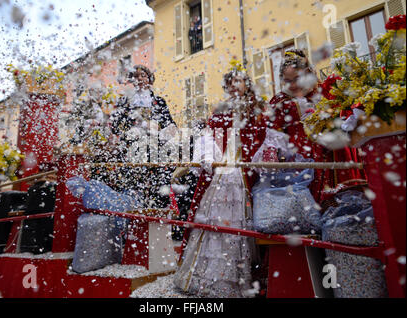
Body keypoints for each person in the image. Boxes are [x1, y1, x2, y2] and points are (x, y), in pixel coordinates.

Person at [173, 62, 267, 297]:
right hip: (223, 172)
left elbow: (262, 138)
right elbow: (208, 136)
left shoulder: (256, 109)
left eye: (239, 81)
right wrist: (209, 156)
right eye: (231, 82)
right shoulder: (220, 109)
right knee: (215, 219)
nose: (235, 85)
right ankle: (208, 277)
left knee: (239, 222)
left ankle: (238, 278)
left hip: (243, 171)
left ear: (247, 84)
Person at [267, 49, 365, 202]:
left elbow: (348, 119)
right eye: (288, 81)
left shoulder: (328, 91)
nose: (293, 85)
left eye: (297, 79)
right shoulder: (280, 101)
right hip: (301, 162)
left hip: (336, 156)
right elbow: (272, 134)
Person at [110, 64, 178, 209]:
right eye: (136, 76)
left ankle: (158, 215)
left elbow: (169, 124)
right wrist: (132, 128)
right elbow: (115, 126)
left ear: (150, 79)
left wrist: (158, 128)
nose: (140, 79)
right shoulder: (125, 101)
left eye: (143, 76)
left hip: (155, 151)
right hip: (132, 150)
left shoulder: (159, 102)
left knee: (158, 188)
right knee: (133, 188)